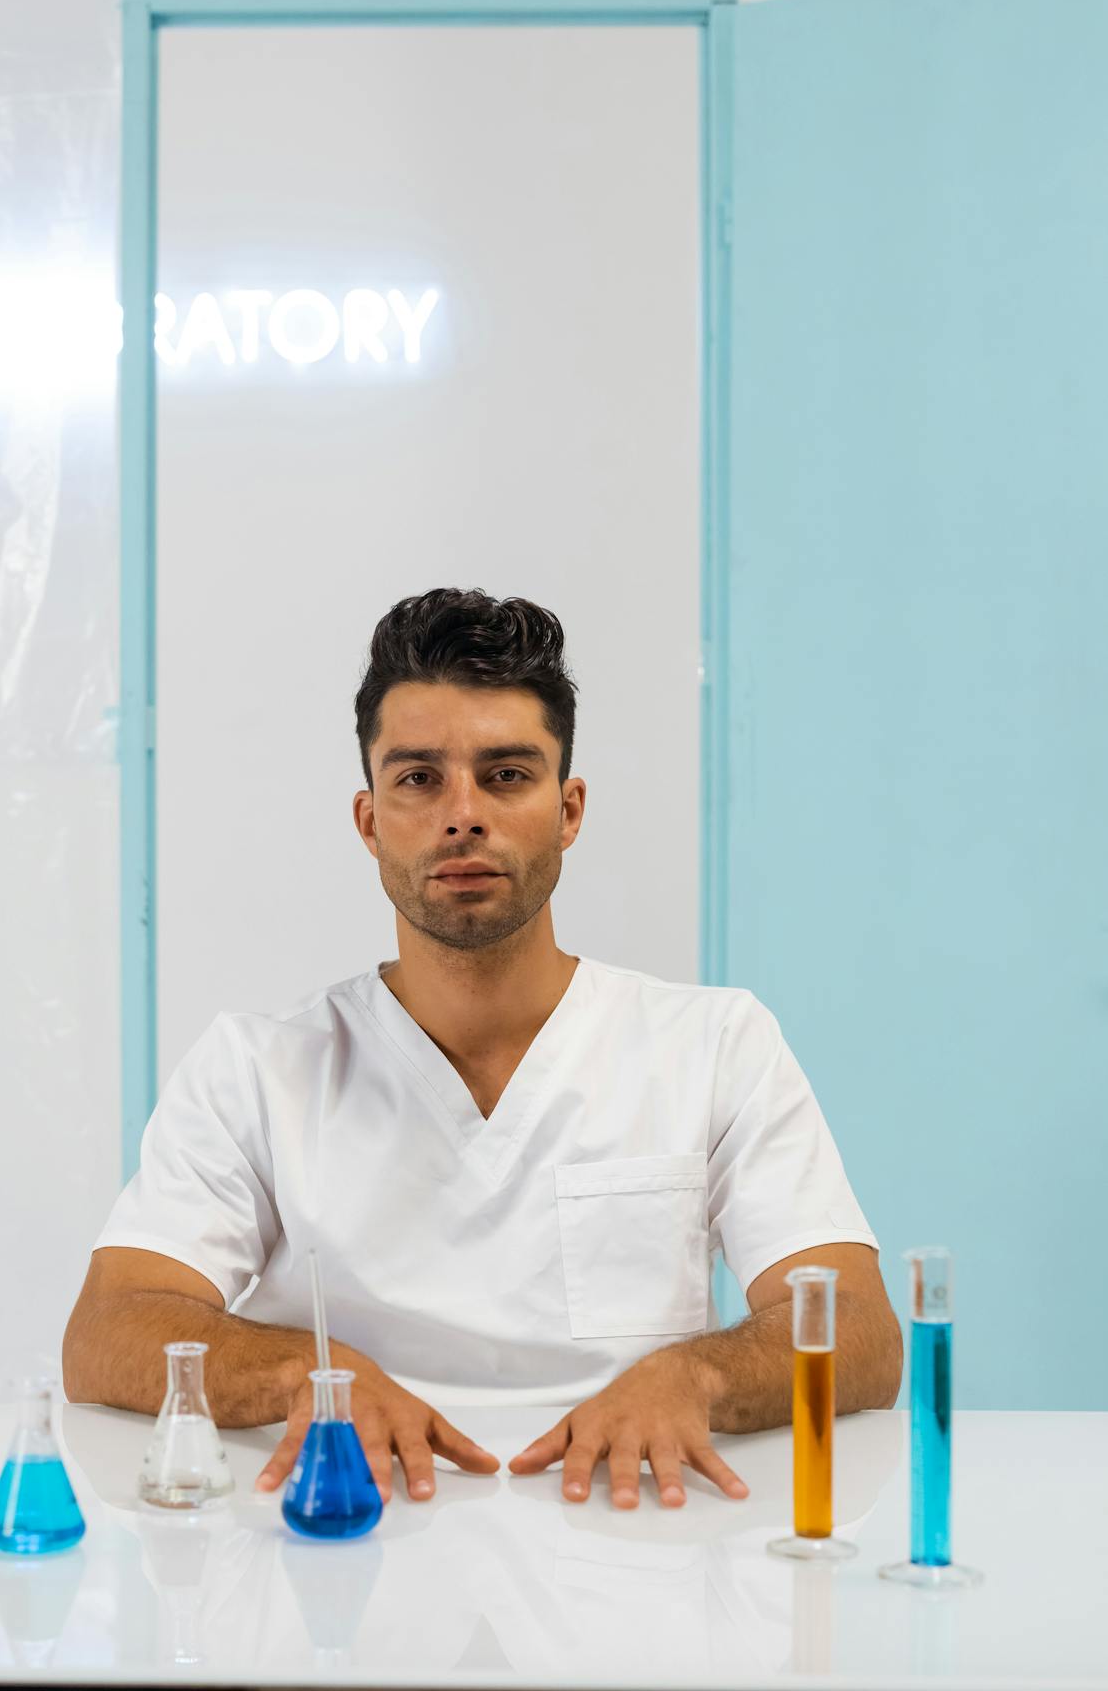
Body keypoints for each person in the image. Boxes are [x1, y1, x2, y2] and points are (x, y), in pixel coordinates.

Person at [63, 588, 901, 1511]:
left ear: (569, 809)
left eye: (505, 775)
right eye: (419, 778)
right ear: (369, 819)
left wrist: (693, 1377)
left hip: (633, 1536)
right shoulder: (258, 1067)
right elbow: (109, 1329)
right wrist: (306, 1374)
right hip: (343, 1541)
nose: (462, 814)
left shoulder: (712, 1045)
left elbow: (857, 1328)